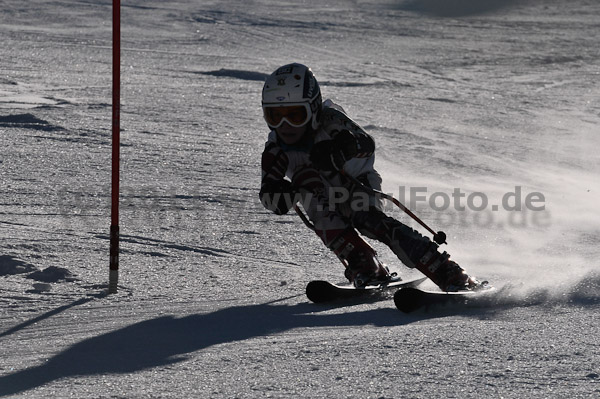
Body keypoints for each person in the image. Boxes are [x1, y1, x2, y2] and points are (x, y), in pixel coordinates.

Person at [259, 62, 479, 290]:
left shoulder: (330, 121)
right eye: (275, 116)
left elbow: (365, 143)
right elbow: (268, 191)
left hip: (356, 181)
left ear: (313, 109)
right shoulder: (276, 149)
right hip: (317, 193)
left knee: (367, 219)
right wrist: (278, 196)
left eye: (295, 115)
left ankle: (445, 269)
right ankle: (366, 263)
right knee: (324, 217)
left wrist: (340, 149)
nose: (285, 126)